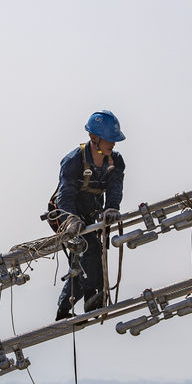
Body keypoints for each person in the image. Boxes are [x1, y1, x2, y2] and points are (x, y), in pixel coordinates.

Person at [54, 110, 126, 320]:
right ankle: (89, 298)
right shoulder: (73, 161)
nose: (113, 144)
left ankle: (68, 308)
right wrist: (70, 220)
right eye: (109, 139)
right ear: (94, 138)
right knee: (89, 250)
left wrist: (112, 208)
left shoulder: (115, 162)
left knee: (88, 256)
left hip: (90, 214)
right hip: (66, 214)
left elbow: (115, 188)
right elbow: (64, 196)